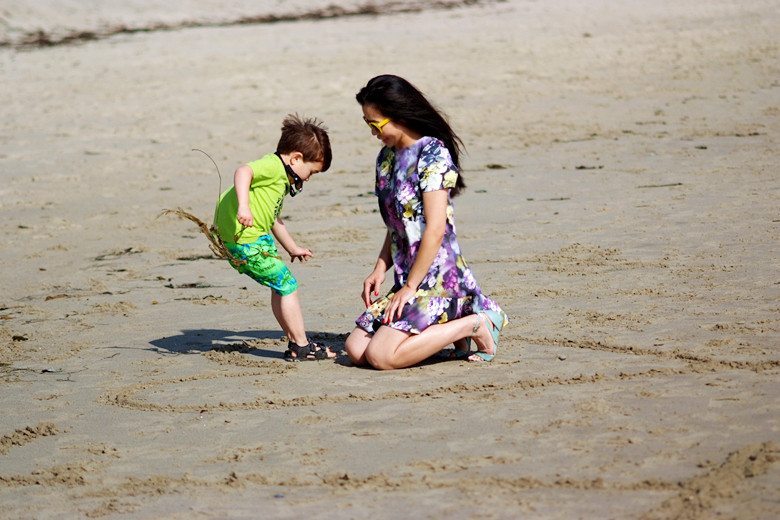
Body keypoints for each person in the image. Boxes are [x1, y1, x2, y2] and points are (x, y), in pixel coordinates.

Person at [345, 75, 508, 370]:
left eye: (375, 124)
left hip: (438, 281)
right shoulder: (386, 159)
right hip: (409, 276)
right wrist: (380, 268)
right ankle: (437, 334)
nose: (372, 133)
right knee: (356, 350)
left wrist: (409, 287)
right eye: (367, 125)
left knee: (381, 357)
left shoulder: (433, 153)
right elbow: (397, 223)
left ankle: (474, 323)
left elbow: (434, 228)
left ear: (399, 116)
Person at [214, 114, 336, 361]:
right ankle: (301, 345)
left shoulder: (280, 180)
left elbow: (273, 219)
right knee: (288, 286)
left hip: (255, 238)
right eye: (310, 172)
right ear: (296, 158)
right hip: (246, 241)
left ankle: (295, 341)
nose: (308, 178)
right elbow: (243, 171)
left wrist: (292, 248)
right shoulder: (272, 166)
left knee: (280, 287)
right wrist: (244, 206)